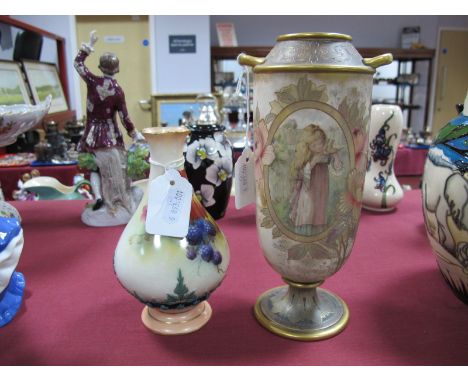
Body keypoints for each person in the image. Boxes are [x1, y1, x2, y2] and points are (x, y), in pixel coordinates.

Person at [74, 30, 143, 214]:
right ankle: (116, 199)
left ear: (101, 67)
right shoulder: (118, 91)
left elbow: (78, 64)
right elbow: (124, 117)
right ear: (116, 69)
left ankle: (98, 197)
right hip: (110, 136)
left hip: (91, 135)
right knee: (117, 168)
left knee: (95, 168)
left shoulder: (92, 81)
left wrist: (89, 45)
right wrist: (135, 134)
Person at [289, 124, 343, 229]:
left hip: (321, 190)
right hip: (309, 191)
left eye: (321, 143)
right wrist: (313, 162)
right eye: (315, 144)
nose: (319, 146)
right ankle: (304, 233)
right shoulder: (305, 157)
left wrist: (335, 154)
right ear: (309, 145)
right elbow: (301, 175)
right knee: (308, 211)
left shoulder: (325, 155)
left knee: (320, 211)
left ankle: (317, 233)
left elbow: (337, 169)